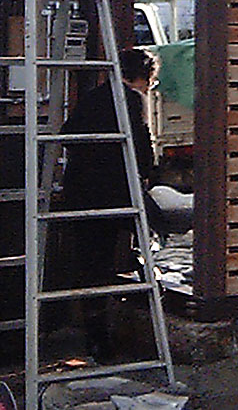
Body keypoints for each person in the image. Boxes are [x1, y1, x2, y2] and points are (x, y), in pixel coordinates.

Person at [60, 47, 157, 359]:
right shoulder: (131, 99)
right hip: (112, 192)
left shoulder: (93, 96)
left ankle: (94, 334)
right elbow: (142, 148)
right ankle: (147, 301)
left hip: (79, 191)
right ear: (144, 77)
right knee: (144, 239)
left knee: (90, 264)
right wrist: (148, 175)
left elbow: (67, 132)